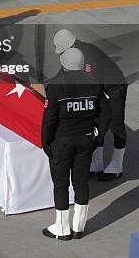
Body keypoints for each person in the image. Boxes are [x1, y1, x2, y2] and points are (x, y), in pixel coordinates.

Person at [41, 47, 110, 240]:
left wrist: (46, 143)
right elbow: (105, 114)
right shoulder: (94, 84)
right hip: (85, 140)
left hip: (61, 143)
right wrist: (96, 135)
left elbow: (49, 120)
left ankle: (62, 229)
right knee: (81, 183)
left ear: (64, 64)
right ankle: (79, 227)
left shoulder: (55, 86)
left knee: (61, 185)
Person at [53, 29, 127, 181]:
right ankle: (96, 164)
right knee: (97, 124)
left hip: (114, 88)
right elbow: (64, 73)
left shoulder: (89, 56)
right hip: (98, 89)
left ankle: (117, 165)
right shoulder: (72, 54)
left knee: (116, 125)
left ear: (72, 44)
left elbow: (91, 83)